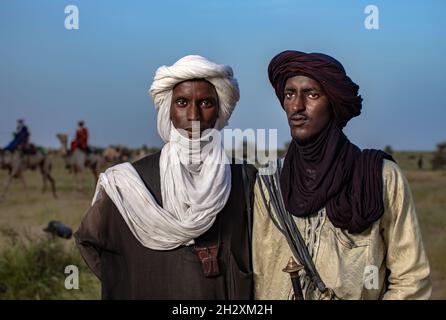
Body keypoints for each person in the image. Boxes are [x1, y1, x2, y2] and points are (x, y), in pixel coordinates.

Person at [252, 50, 431, 300]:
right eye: (289, 94)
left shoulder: (378, 177)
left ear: (334, 103)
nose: (297, 106)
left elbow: (411, 279)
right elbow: (259, 271)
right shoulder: (269, 181)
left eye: (312, 94)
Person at [75, 55, 257, 299]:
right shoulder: (126, 184)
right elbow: (90, 240)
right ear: (168, 111)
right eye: (182, 102)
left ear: (219, 111)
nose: (193, 115)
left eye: (205, 103)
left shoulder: (244, 179)